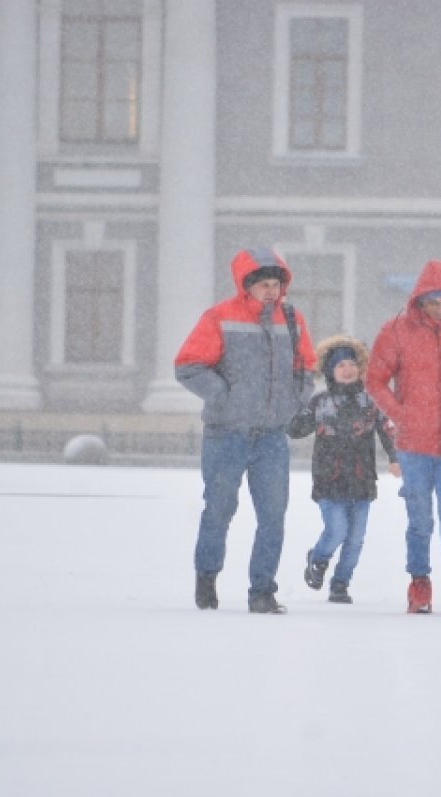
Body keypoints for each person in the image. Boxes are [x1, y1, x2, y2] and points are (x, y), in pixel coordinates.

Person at [175, 247, 316, 614]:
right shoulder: (220, 317)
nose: (271, 291)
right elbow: (188, 366)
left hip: (272, 436)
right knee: (219, 510)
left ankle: (262, 591)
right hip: (227, 433)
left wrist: (297, 401)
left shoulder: (292, 318)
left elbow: (306, 366)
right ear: (246, 285)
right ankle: (206, 579)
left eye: (276, 284)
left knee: (273, 515)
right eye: (263, 284)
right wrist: (223, 395)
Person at [366, 259, 441, 615]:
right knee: (419, 519)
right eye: (433, 301)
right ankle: (419, 583)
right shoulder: (396, 331)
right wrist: (401, 415)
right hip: (412, 445)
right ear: (420, 298)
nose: (439, 308)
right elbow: (375, 380)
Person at [287, 335, 400, 605]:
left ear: (360, 368)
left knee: (355, 538)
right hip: (330, 478)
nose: (347, 370)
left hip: (361, 479)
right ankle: (318, 558)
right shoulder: (320, 402)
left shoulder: (370, 401)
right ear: (330, 371)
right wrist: (297, 411)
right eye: (340, 366)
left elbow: (387, 430)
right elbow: (295, 430)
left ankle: (341, 582)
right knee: (336, 530)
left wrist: (395, 457)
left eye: (352, 364)